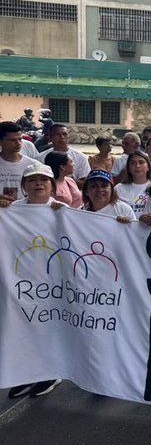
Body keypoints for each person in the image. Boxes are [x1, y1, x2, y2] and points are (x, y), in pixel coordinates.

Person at [1, 163, 64, 399]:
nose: (38, 184)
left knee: (47, 328)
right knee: (20, 329)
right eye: (32, 180)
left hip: (51, 283)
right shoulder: (11, 210)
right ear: (24, 186)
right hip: (18, 282)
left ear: (52, 185)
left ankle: (50, 373)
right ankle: (26, 375)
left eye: (43, 180)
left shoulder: (64, 212)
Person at [0, 121, 37, 204]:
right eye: (12, 140)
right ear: (1, 141)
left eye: (20, 139)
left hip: (24, 210)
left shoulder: (33, 165)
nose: (18, 144)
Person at [114, 150, 151, 217]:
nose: (137, 166)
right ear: (128, 168)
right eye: (133, 163)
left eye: (141, 162)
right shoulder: (118, 189)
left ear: (148, 167)